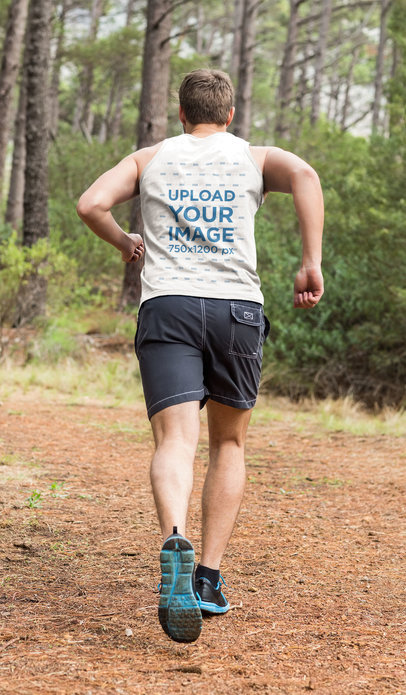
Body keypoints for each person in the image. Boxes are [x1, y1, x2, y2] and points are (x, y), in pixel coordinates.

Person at [77, 69, 324, 644]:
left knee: (174, 442)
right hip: (237, 309)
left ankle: (175, 539)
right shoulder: (254, 157)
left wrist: (126, 243)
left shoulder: (150, 158)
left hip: (168, 307)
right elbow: (307, 175)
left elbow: (91, 203)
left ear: (181, 116)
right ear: (230, 115)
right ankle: (207, 577)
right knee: (228, 442)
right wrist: (311, 260)